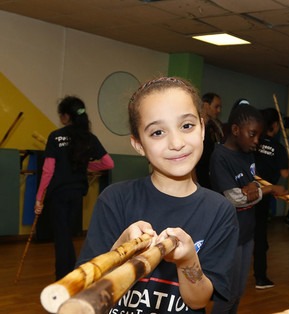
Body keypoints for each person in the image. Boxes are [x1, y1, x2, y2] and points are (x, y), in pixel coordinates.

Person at [77, 77, 239, 313]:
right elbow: (89, 289)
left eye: (186, 126)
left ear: (203, 129)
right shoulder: (115, 199)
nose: (176, 143)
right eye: (157, 132)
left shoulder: (219, 211)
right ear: (139, 144)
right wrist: (121, 247)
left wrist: (187, 260)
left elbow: (198, 301)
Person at [209, 103, 287, 313]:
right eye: (252, 134)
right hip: (228, 235)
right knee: (226, 294)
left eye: (258, 136)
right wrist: (268, 190)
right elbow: (235, 198)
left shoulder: (247, 153)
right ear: (235, 130)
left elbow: (250, 187)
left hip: (246, 231)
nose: (256, 141)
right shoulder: (220, 157)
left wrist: (254, 188)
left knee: (238, 292)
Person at [34, 96, 114, 280]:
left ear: (65, 116)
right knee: (67, 237)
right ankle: (72, 274)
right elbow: (108, 163)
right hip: (77, 194)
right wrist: (87, 166)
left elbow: (48, 171)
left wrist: (39, 198)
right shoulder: (88, 138)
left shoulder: (56, 136)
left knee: (62, 239)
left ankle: (64, 279)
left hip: (58, 195)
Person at [253, 108, 289, 289]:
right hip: (263, 196)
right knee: (260, 238)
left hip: (247, 193)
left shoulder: (253, 141)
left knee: (244, 236)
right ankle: (260, 278)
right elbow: (284, 174)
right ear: (276, 125)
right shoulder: (278, 148)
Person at [195, 92, 224, 189]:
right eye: (216, 107)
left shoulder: (215, 129)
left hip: (209, 178)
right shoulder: (194, 127)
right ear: (206, 106)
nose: (219, 110)